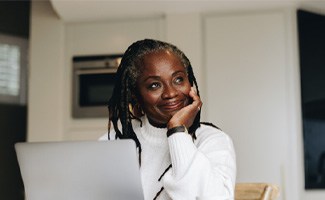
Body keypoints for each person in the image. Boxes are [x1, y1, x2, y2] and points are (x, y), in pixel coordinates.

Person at [100, 39, 236, 200]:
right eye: (154, 85)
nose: (171, 93)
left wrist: (177, 131)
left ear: (190, 83)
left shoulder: (212, 140)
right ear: (135, 96)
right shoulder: (113, 142)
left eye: (178, 79)